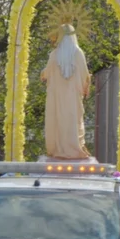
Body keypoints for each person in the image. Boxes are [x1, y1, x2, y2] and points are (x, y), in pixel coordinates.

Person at [41, 23, 91, 160]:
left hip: (57, 97)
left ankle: (59, 149)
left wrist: (44, 75)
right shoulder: (78, 54)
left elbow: (45, 74)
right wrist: (85, 89)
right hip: (73, 97)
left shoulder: (54, 54)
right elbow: (85, 75)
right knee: (72, 120)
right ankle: (74, 148)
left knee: (58, 120)